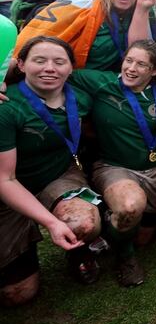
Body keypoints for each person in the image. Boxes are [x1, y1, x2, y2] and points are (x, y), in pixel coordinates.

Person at [0, 37, 101, 305]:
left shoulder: (79, 99)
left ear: (70, 68)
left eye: (59, 62)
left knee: (84, 222)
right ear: (20, 65)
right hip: (9, 188)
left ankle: (80, 252)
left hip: (57, 176)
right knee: (18, 294)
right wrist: (51, 222)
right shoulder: (6, 105)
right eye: (39, 60)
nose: (49, 68)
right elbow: (5, 179)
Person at [69, 39, 156, 287]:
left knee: (143, 238)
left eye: (141, 64)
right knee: (128, 208)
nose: (131, 68)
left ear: (155, 70)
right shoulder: (102, 82)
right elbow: (60, 73)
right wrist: (7, 81)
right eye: (129, 60)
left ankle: (109, 223)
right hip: (115, 167)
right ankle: (125, 257)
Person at [13, 0, 155, 72]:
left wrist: (141, 11)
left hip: (117, 84)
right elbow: (28, 48)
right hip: (70, 83)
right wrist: (4, 77)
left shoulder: (144, 8)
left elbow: (139, 52)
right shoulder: (79, 5)